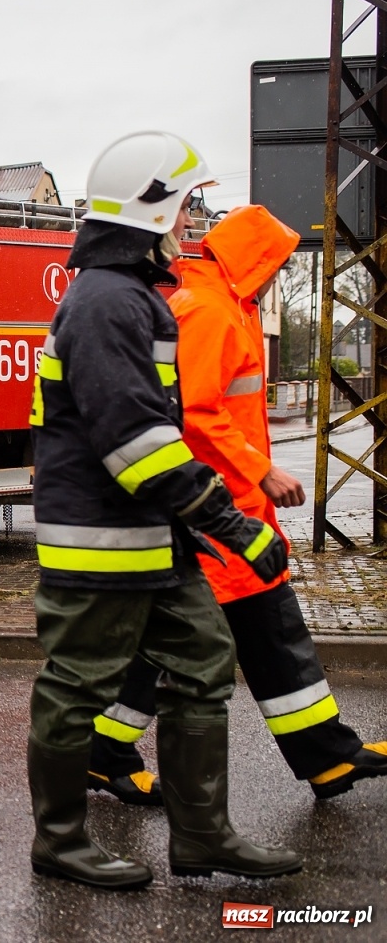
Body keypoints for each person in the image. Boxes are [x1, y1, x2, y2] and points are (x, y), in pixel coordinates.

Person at [27, 131, 300, 889]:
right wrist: (233, 525)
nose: (189, 220)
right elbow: (137, 446)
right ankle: (59, 842)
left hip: (149, 536)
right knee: (76, 685)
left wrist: (198, 525)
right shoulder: (107, 304)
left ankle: (203, 837)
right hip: (101, 543)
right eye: (182, 205)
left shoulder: (131, 297)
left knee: (204, 662)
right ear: (147, 210)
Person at [88, 206, 387, 803]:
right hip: (213, 513)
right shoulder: (210, 311)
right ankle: (107, 753)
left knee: (255, 630)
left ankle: (325, 755)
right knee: (216, 634)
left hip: (224, 511)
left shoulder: (226, 306)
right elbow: (196, 414)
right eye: (274, 262)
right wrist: (262, 471)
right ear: (251, 260)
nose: (278, 274)